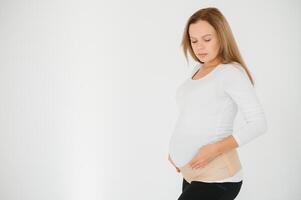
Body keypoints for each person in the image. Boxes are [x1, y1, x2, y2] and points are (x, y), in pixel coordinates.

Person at [167, 7, 268, 200]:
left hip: (218, 178)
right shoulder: (198, 69)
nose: (199, 47)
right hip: (191, 174)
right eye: (193, 40)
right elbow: (191, 115)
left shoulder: (230, 72)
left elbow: (258, 123)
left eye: (207, 39)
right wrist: (176, 151)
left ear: (221, 37)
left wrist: (213, 149)